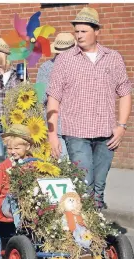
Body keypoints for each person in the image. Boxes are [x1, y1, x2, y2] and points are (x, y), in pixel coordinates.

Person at [46, 7, 132, 210]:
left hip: (106, 134)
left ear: (96, 31)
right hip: (76, 133)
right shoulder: (65, 60)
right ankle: (82, 235)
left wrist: (121, 126)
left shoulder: (113, 58)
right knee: (84, 186)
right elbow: (53, 98)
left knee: (98, 190)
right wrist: (52, 135)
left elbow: (125, 92)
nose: (79, 35)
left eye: (84, 31)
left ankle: (96, 234)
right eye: (77, 31)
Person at [0, 124, 34, 228]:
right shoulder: (3, 166)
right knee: (14, 197)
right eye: (9, 148)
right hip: (6, 203)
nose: (13, 152)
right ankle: (20, 229)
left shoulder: (34, 164)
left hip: (29, 200)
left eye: (17, 148)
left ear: (27, 147)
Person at [36, 32, 76, 159]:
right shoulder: (46, 68)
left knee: (78, 171)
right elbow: (40, 98)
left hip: (78, 129)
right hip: (57, 128)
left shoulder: (81, 67)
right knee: (64, 167)